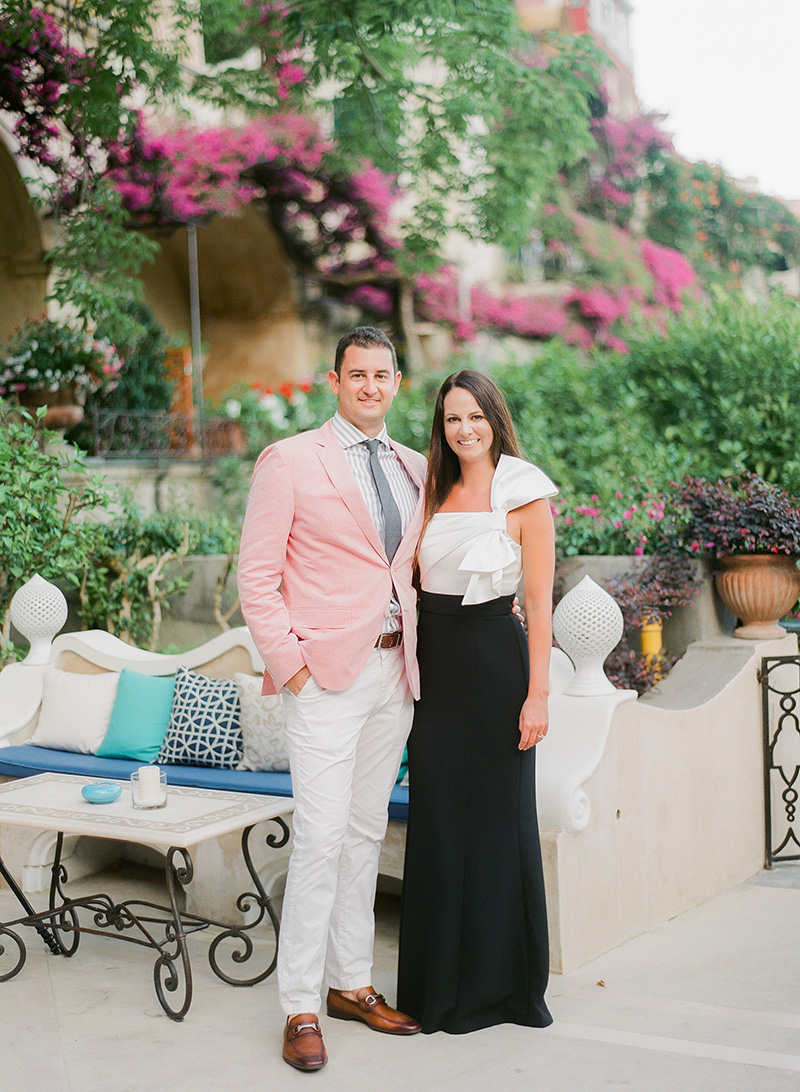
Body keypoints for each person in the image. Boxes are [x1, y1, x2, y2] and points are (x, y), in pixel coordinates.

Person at [238, 327, 426, 1071]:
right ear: (335, 380)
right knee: (318, 841)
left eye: (383, 375)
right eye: (358, 375)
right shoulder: (289, 460)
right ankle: (299, 1007)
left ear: (397, 382)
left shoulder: (415, 466)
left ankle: (353, 984)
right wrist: (292, 670)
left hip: (393, 677)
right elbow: (256, 576)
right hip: (323, 680)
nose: (371, 387)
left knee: (363, 835)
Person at [396, 369, 557, 1034]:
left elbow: (542, 604)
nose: (464, 430)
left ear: (495, 419)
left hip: (497, 666)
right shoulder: (429, 489)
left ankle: (506, 991)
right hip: (434, 671)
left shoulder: (524, 494)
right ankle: (435, 991)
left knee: (498, 826)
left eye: (475, 417)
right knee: (435, 823)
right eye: (452, 418)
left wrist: (538, 694)